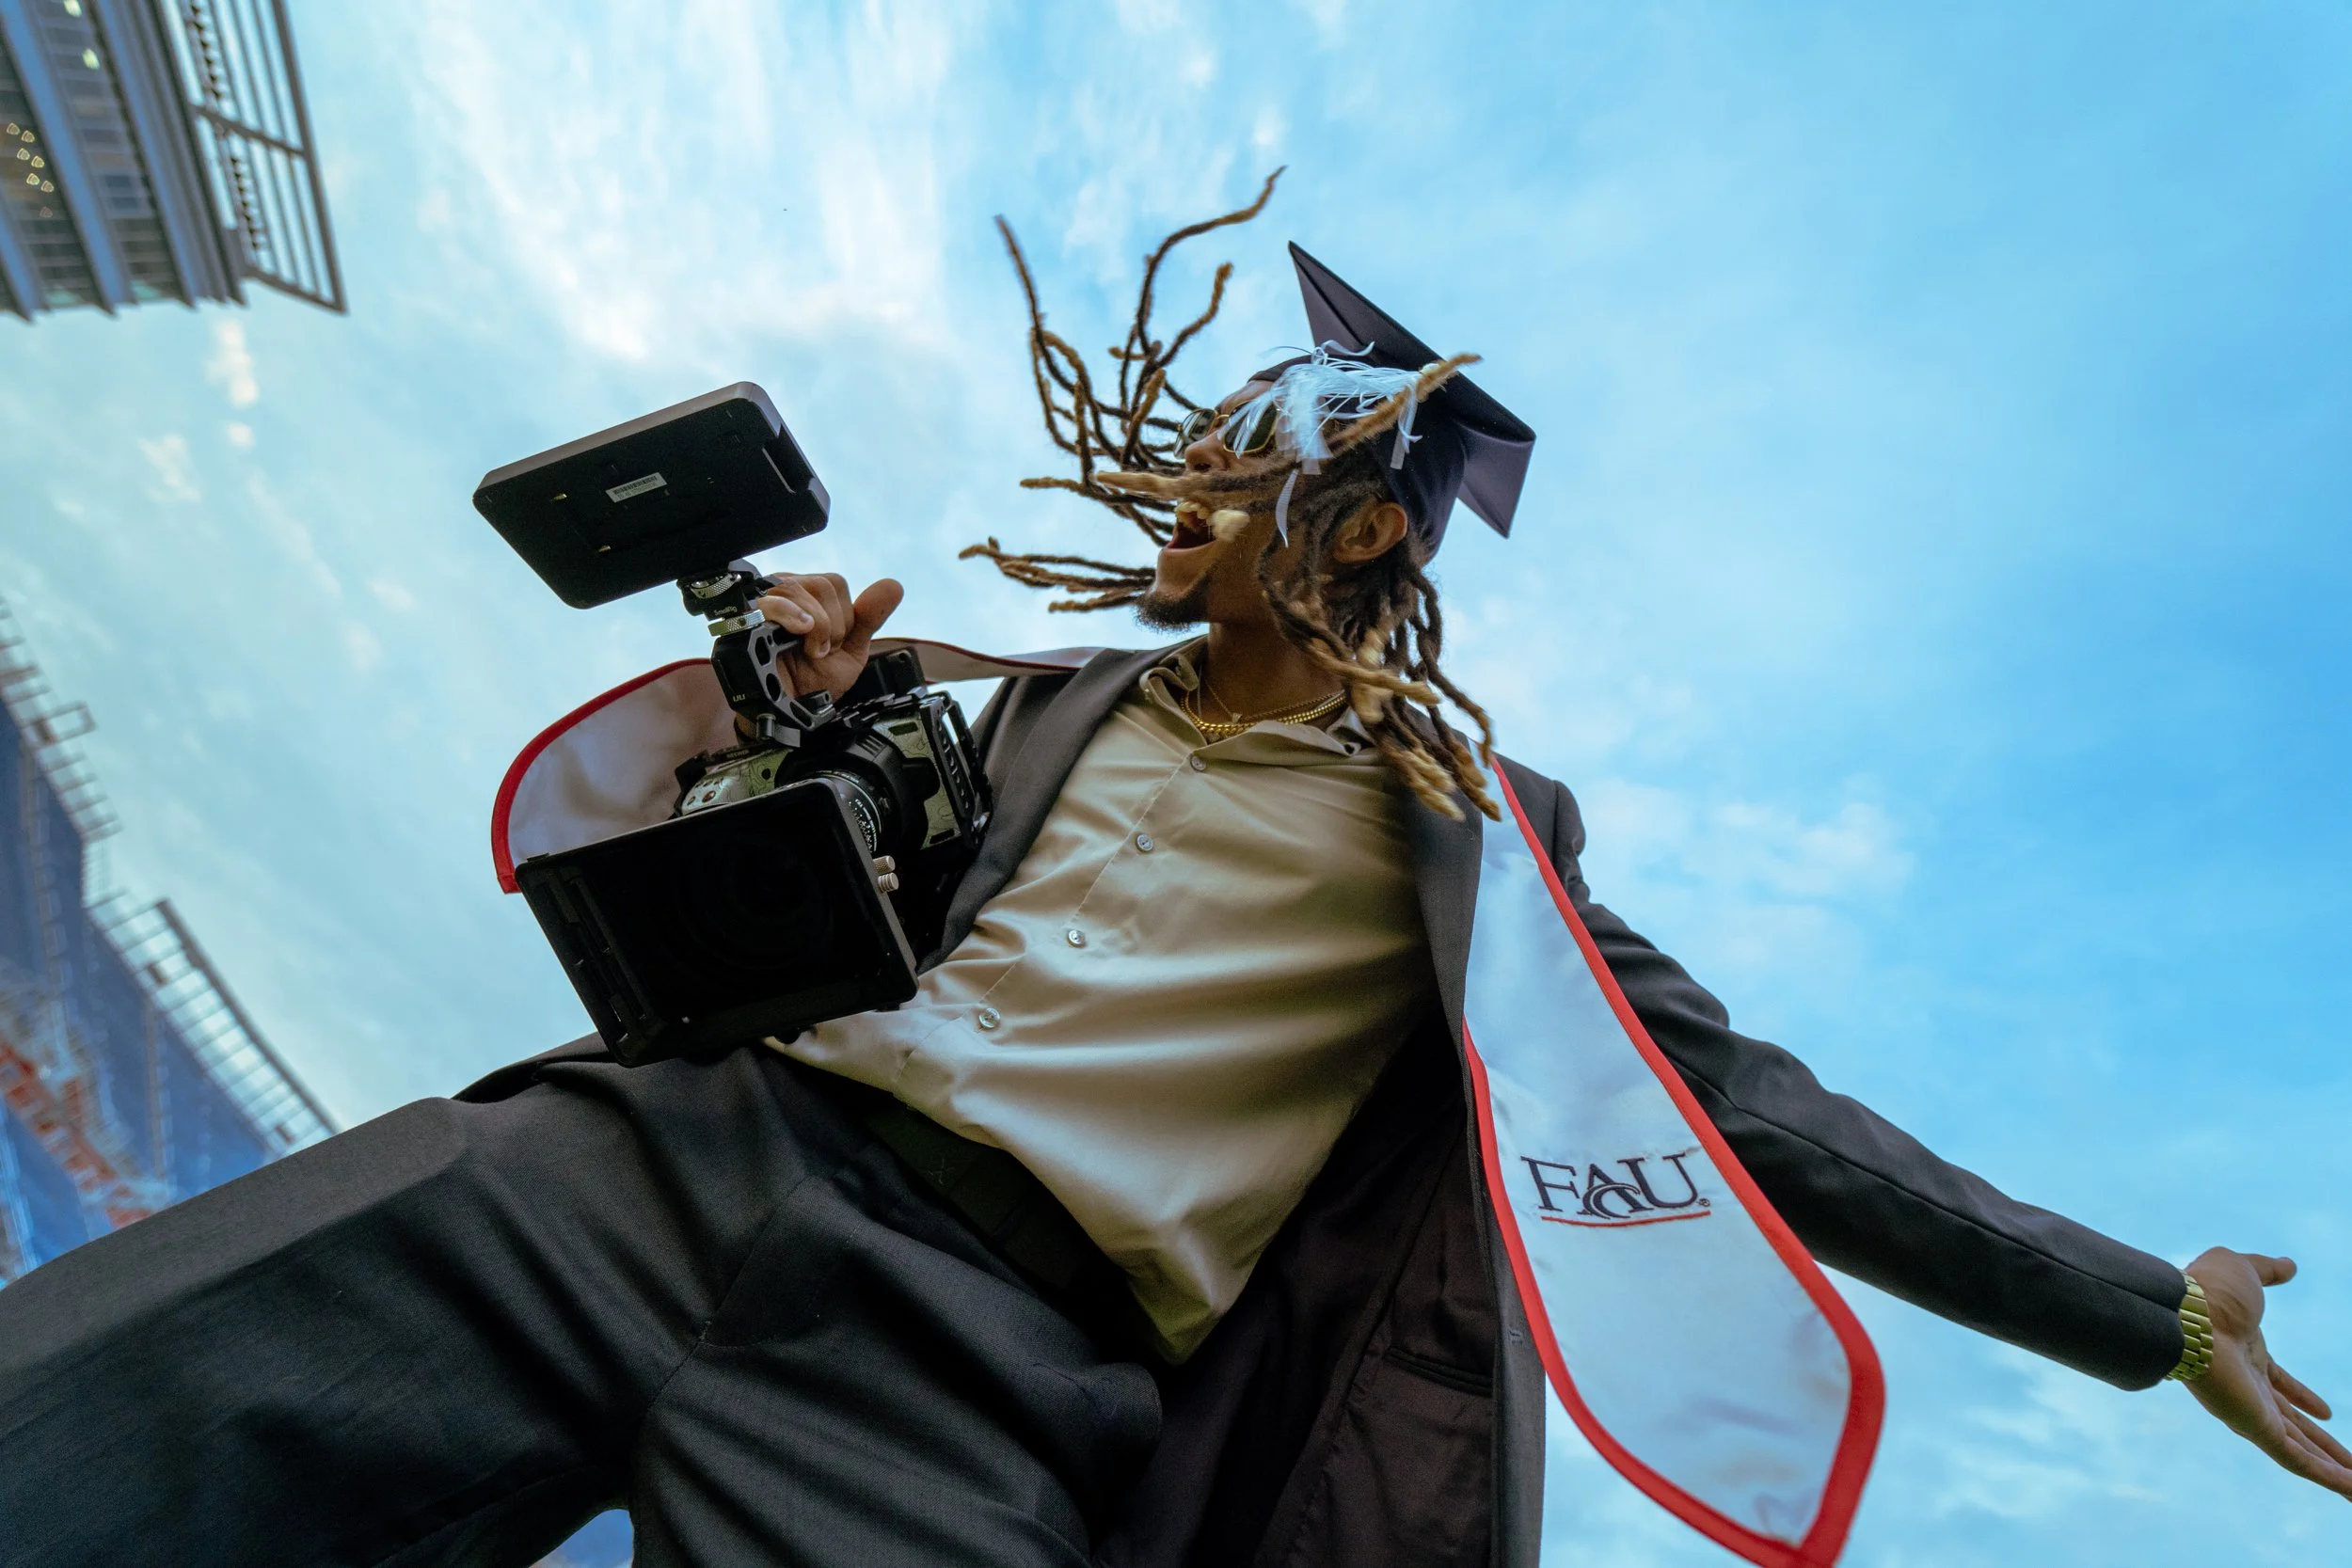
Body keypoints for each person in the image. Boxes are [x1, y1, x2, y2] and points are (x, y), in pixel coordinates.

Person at [0, 183, 2341, 1568]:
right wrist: (799, 706)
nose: (1182, 488)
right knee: (84, 1426)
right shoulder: (1011, 695)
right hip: (643, 1170)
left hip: (982, 1375)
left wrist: (2141, 1311)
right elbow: (791, 886)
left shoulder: (1474, 843)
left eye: (1241, 465)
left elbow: (1765, 1121)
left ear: (1354, 525)